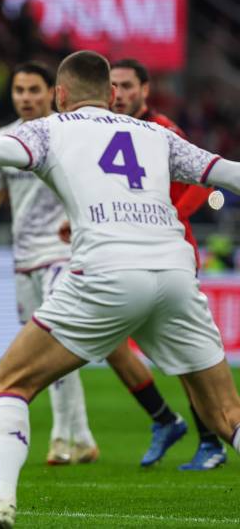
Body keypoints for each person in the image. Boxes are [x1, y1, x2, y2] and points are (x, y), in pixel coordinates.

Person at [0, 50, 240, 529]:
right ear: (114, 94)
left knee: (10, 385)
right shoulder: (157, 134)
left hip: (107, 270)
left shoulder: (52, 128)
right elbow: (226, 172)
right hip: (176, 273)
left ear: (59, 95)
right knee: (227, 415)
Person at [0, 61, 99, 466]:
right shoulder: (4, 140)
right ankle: (83, 437)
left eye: (33, 90)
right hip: (24, 261)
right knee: (47, 350)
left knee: (56, 344)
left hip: (64, 255)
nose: (25, 97)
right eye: (19, 90)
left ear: (53, 92)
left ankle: (61, 437)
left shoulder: (70, 134)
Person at [104, 58, 223, 470]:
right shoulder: (106, 130)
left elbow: (201, 182)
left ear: (145, 89)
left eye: (126, 84)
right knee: (112, 345)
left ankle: (211, 440)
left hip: (168, 254)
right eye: (112, 85)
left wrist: (165, 215)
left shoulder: (165, 131)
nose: (118, 92)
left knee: (188, 356)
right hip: (124, 254)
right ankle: (164, 419)